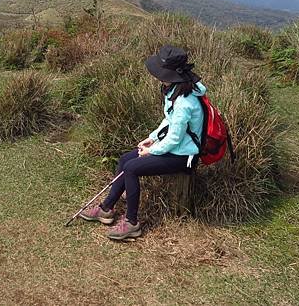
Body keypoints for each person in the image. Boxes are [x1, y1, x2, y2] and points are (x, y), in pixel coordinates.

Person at [79, 45, 206, 240]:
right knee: (124, 160)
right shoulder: (175, 90)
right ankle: (107, 208)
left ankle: (132, 223)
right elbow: (169, 121)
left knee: (131, 168)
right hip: (173, 147)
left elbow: (175, 138)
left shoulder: (185, 102)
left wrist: (153, 150)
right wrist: (152, 137)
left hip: (183, 155)